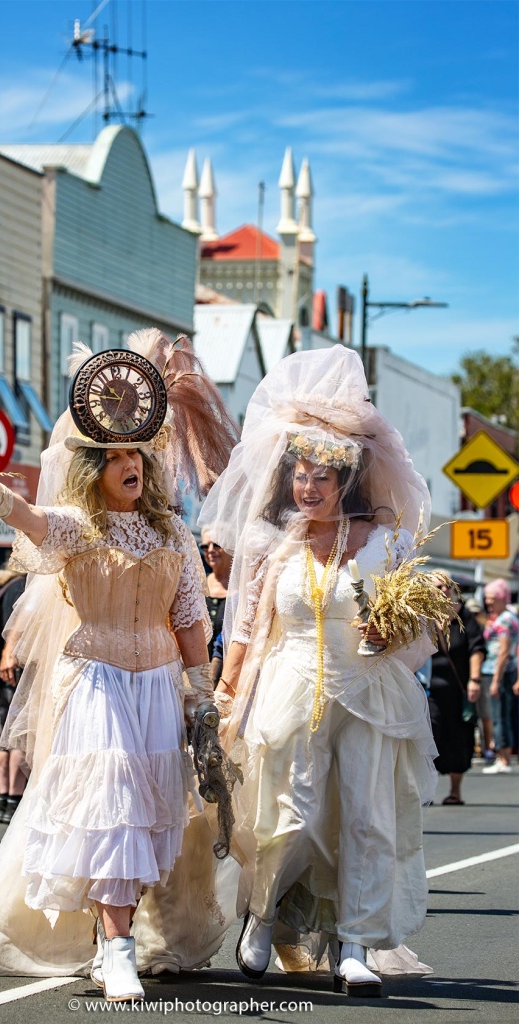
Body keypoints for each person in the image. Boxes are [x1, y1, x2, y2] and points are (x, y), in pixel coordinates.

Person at [0, 334, 239, 1000]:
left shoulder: (171, 534)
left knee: (144, 814)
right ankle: (114, 948)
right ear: (96, 469)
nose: (129, 464)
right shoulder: (76, 526)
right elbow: (30, 518)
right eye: (114, 457)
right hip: (96, 684)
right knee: (110, 805)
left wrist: (201, 699)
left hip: (157, 689)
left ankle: (116, 936)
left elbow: (192, 623)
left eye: (136, 454)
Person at [200, 344, 439, 997]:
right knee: (290, 814)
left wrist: (391, 631)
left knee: (365, 816)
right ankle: (262, 916)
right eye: (300, 475)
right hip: (289, 685)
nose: (308, 488)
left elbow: (410, 619)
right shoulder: (269, 543)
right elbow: (247, 626)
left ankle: (355, 944)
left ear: (345, 483)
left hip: (368, 688)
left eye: (321, 479)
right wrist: (227, 696)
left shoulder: (382, 540)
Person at [429, 584, 486, 804]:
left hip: (457, 688)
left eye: (446, 586)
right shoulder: (422, 616)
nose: (442, 589)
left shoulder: (464, 616)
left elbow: (476, 648)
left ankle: (455, 791)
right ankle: (427, 791)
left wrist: (474, 680)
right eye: (437, 585)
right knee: (429, 735)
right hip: (427, 689)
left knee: (459, 736)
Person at [0, 566, 28, 823]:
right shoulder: (24, 587)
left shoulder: (1, 589)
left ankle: (1, 798)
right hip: (19, 667)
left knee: (4, 736)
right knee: (20, 736)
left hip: (1, 670)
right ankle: (14, 797)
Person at [481, 579, 518, 774]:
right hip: (502, 671)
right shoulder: (504, 617)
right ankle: (504, 757)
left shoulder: (505, 620)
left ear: (502, 598)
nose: (488, 603)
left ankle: (503, 759)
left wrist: (495, 679)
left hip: (499, 672)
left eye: (492, 599)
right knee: (503, 714)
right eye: (487, 599)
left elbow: (504, 652)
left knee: (499, 715)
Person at [200, 525, 232, 661]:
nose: (211, 550)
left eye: (217, 545)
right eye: (205, 546)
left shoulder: (243, 591)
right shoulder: (197, 586)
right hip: (199, 670)